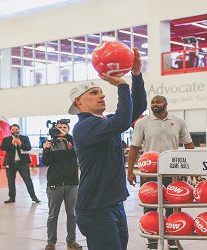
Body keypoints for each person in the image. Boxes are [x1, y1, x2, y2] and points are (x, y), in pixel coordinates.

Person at [70, 48, 146, 250]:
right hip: (95, 209)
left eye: (102, 93)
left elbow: (138, 107)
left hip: (114, 204)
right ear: (79, 101)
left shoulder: (105, 123)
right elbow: (122, 122)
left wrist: (136, 75)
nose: (101, 96)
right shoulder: (84, 127)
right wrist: (122, 86)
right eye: (94, 93)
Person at [127, 95, 194, 250]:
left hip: (173, 173)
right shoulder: (142, 123)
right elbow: (134, 147)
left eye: (158, 102)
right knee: (150, 209)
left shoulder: (178, 122)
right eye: (152, 102)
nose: (154, 104)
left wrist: (193, 169)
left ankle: (172, 240)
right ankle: (152, 242)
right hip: (150, 174)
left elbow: (189, 145)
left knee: (173, 208)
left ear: (166, 104)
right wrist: (130, 171)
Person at [42, 121, 82, 250]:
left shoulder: (73, 144)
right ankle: (51, 242)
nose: (61, 130)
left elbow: (79, 147)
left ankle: (71, 241)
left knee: (72, 214)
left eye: (64, 128)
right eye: (59, 128)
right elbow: (46, 162)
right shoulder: (50, 144)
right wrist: (46, 150)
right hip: (55, 183)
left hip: (72, 183)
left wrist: (67, 136)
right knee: (53, 215)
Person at [0, 124, 40, 204]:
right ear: (10, 130)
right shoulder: (6, 139)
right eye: (13, 129)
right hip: (10, 164)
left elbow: (28, 147)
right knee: (11, 181)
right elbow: (2, 148)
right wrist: (11, 143)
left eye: (16, 129)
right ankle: (12, 198)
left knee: (28, 180)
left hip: (22, 163)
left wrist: (20, 144)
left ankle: (34, 197)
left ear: (19, 130)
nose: (15, 130)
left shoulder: (24, 138)